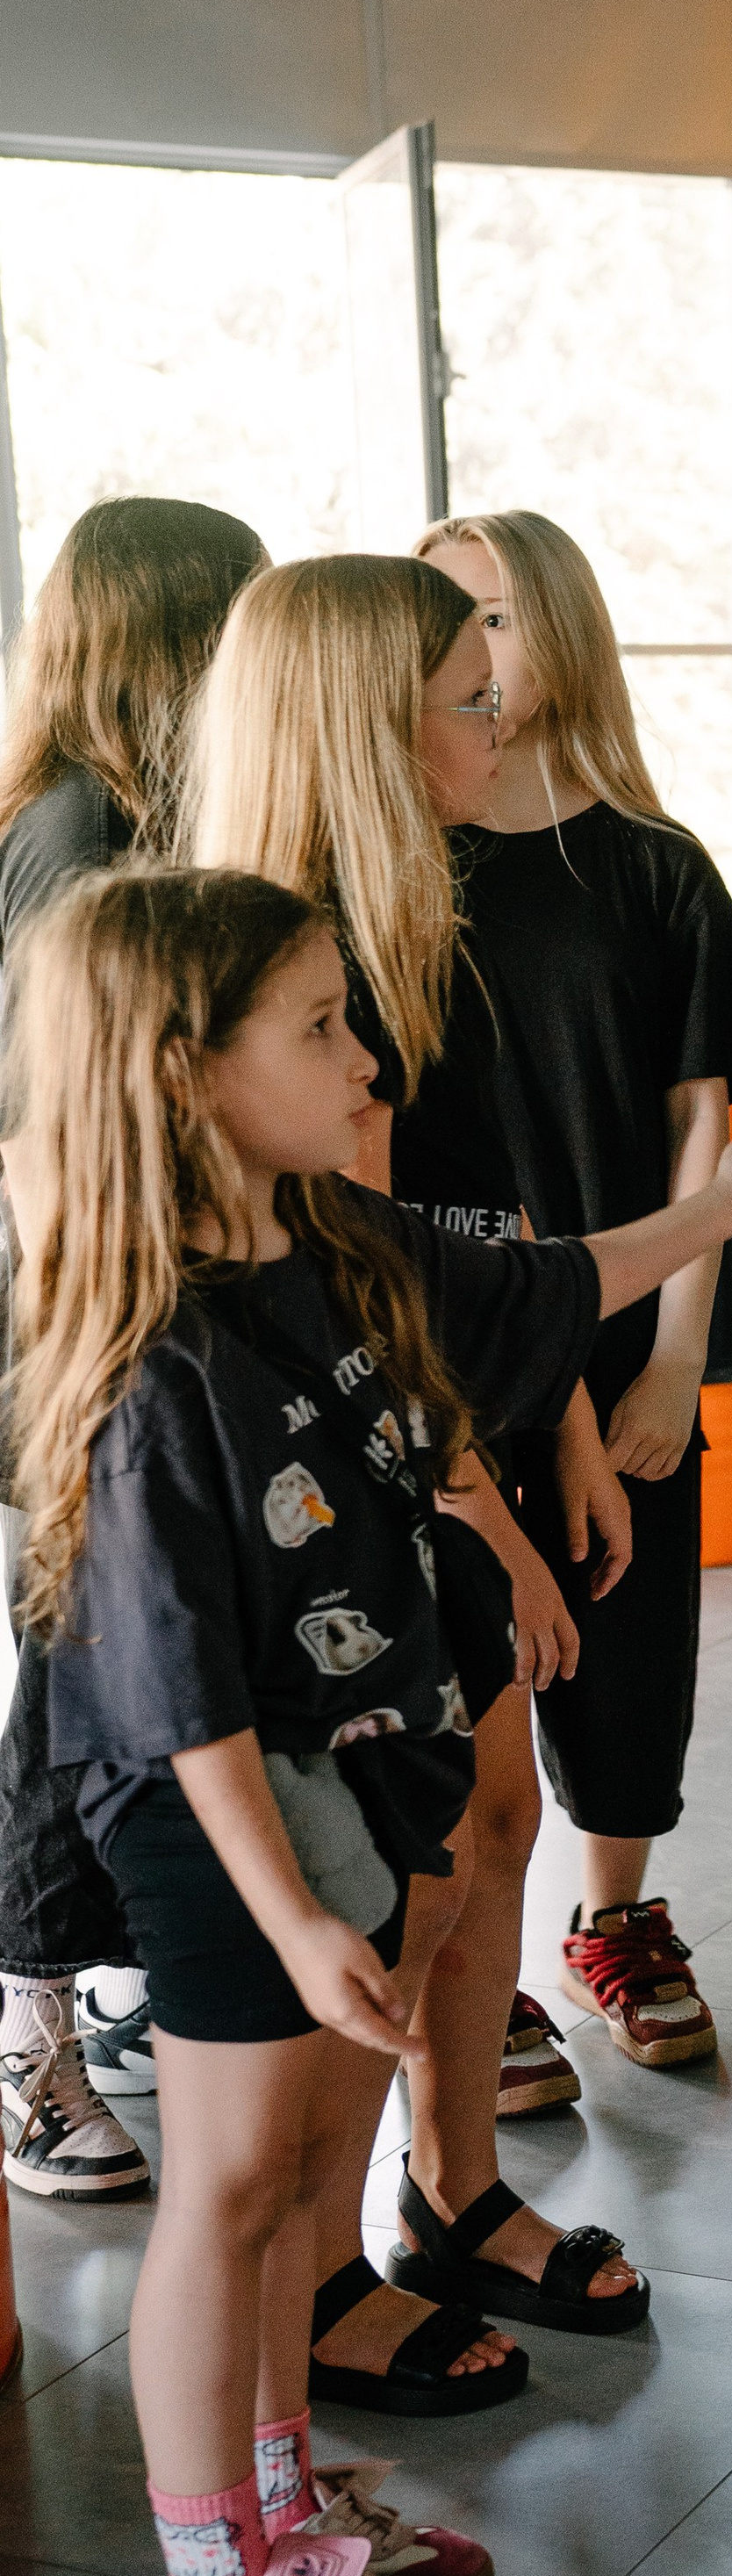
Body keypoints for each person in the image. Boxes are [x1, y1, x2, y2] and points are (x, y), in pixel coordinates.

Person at [7, 864, 732, 2576]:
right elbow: (176, 1711)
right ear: (176, 1071)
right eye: (316, 1023)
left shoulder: (337, 1246)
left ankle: (288, 2496)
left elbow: (546, 1285)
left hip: (341, 1787)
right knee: (227, 2191)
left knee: (310, 2159)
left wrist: (720, 1204)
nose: (364, 1055)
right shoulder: (151, 1367)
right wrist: (297, 1916)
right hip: (228, 1819)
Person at [184, 554, 645, 2401]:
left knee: (484, 1832)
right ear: (372, 722)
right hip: (328, 1505)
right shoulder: (267, 954)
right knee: (417, 1865)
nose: (498, 715)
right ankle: (322, 2292)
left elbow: (471, 1235)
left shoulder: (435, 905)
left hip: (451, 1425)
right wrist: (482, 1499)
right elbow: (326, 1299)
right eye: (467, 690)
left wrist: (555, 1431)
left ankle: (447, 2190)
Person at [417, 511, 732, 2085]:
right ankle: (473, 1958)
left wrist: (678, 1359)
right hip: (445, 1337)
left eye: (490, 616)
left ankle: (611, 1923)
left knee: (632, 1669)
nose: (468, 653)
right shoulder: (400, 861)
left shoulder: (656, 866)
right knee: (465, 1661)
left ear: (553, 625)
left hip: (629, 1332)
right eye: (442, 623)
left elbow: (710, 1129)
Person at [0, 497, 268, 2205]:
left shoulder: (137, 819)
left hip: (107, 1313)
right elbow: (44, 1120)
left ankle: (79, 1992)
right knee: (70, 1677)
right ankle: (28, 2041)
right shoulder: (72, 833)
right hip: (66, 1322)